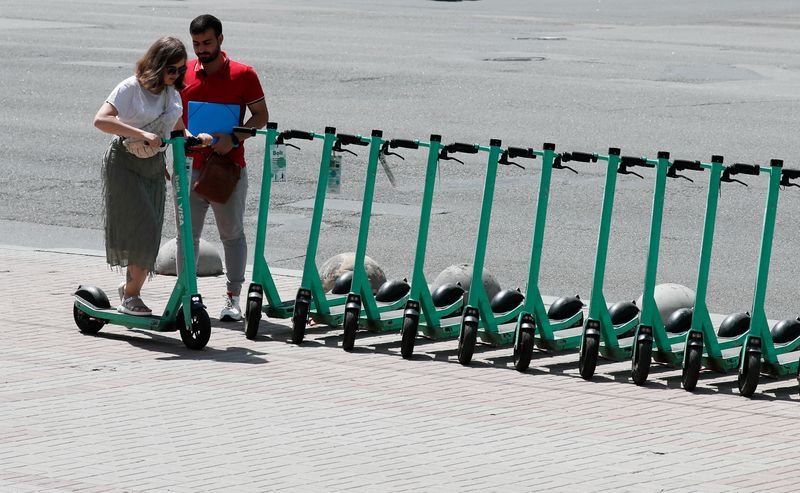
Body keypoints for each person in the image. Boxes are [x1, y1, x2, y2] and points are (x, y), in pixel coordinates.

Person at [94, 36, 211, 316]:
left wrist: (195, 138)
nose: (177, 75)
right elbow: (101, 120)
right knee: (143, 228)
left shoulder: (172, 93)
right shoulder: (130, 88)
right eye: (172, 69)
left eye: (182, 70)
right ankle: (130, 297)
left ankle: (130, 289)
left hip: (153, 166)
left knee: (152, 231)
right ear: (156, 66)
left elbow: (178, 128)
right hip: (124, 162)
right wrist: (141, 133)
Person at [177, 14, 268, 321]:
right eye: (196, 44)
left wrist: (234, 138)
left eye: (207, 42)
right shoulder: (184, 72)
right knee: (185, 236)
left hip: (226, 169)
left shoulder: (244, 74)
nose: (201, 49)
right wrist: (184, 139)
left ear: (220, 40)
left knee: (232, 233)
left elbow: (260, 116)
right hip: (188, 167)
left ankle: (233, 298)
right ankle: (187, 295)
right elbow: (173, 116)